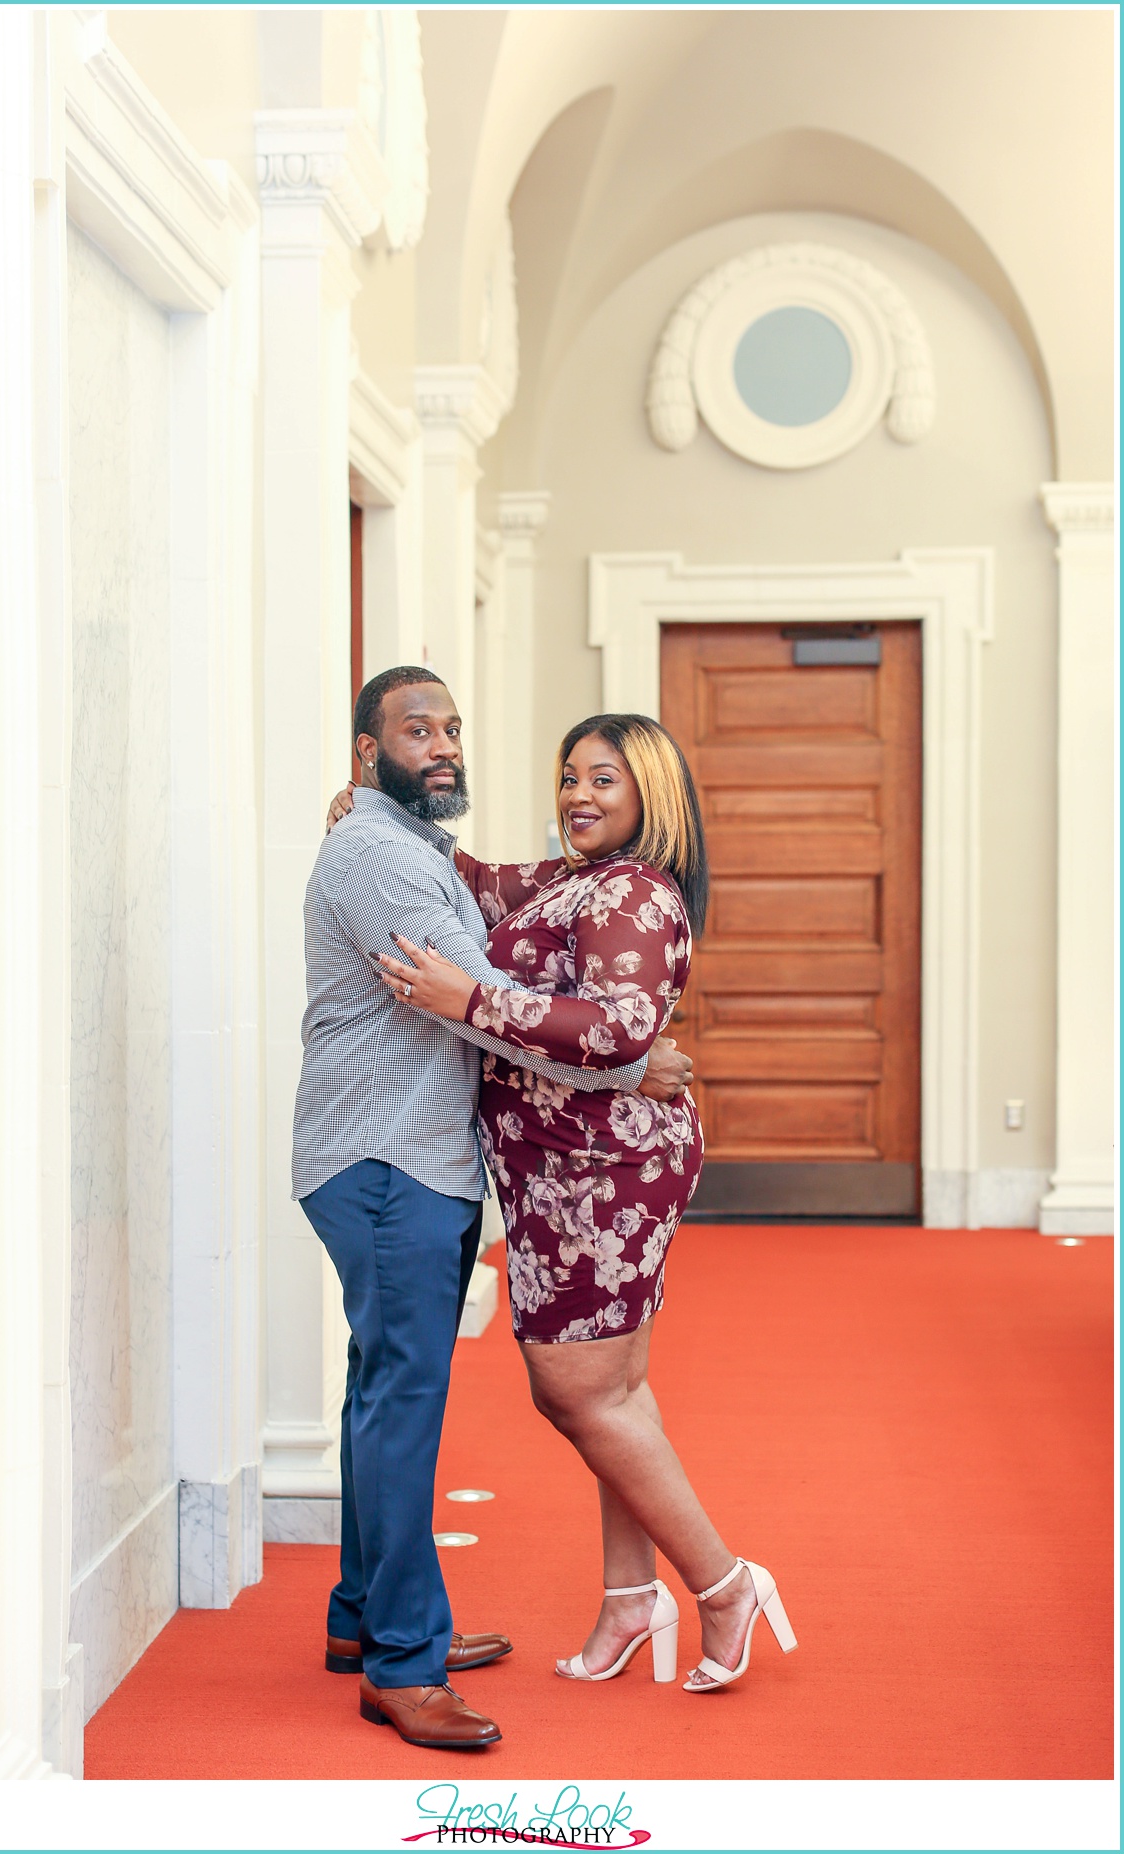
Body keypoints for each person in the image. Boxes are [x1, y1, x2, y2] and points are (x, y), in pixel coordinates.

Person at [293, 669, 694, 1750]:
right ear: (366, 751)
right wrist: (631, 1064)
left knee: (380, 1388)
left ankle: (364, 1618)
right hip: (388, 1164)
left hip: (410, 1161)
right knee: (403, 1401)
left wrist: (620, 1053)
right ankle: (403, 1663)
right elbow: (479, 1001)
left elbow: (490, 915)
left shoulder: (421, 847)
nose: (443, 745)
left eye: (453, 728)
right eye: (415, 729)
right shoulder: (382, 854)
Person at [371, 712, 798, 1694]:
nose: (578, 796)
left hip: (600, 1172)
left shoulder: (636, 894)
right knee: (614, 1395)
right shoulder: (568, 880)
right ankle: (627, 1597)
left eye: (604, 780)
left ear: (651, 793)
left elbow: (620, 1031)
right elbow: (471, 881)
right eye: (569, 778)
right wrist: (380, 808)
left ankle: (723, 1585)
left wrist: (464, 1001)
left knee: (577, 1390)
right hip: (556, 1168)